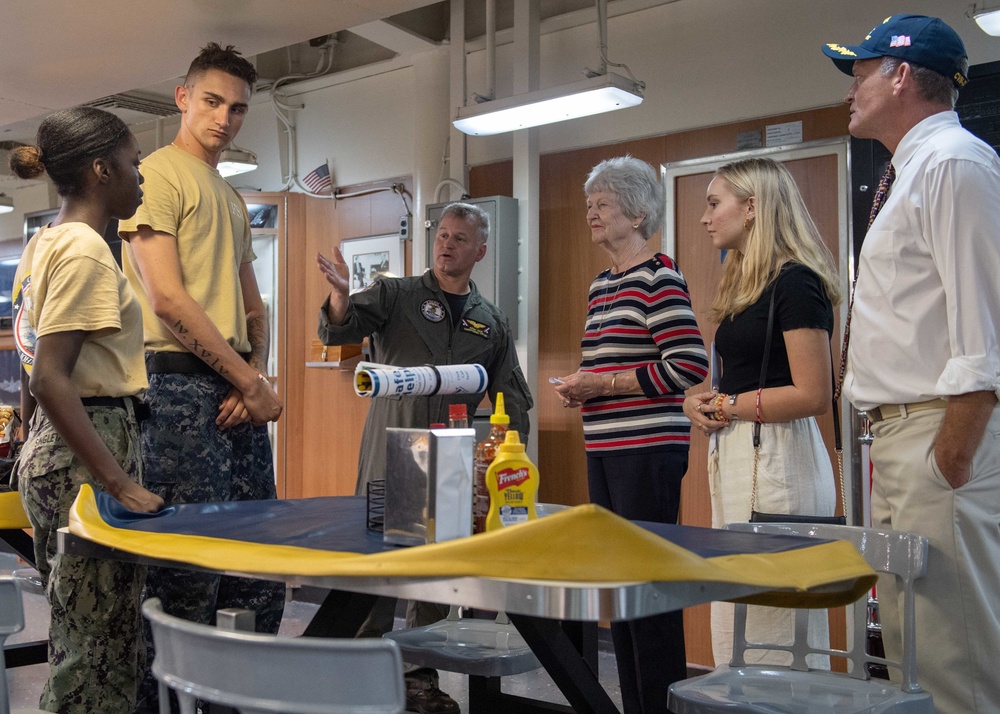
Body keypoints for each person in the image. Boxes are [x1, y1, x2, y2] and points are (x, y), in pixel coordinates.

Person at [823, 14, 1000, 713]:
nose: (852, 88)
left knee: (953, 655)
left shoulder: (955, 163)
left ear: (900, 76)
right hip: (899, 439)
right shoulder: (912, 169)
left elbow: (985, 322)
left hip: (937, 436)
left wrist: (950, 454)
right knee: (910, 648)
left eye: (861, 71)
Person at [117, 43, 286, 712]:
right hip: (178, 389)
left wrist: (258, 381)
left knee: (260, 573)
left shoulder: (232, 196)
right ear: (183, 97)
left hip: (234, 387)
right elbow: (168, 299)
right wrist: (246, 381)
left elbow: (254, 305)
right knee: (186, 578)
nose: (224, 117)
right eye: (212, 101)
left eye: (238, 108)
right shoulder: (157, 175)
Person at [317, 200, 532, 714]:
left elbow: (513, 397)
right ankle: (362, 669)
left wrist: (506, 462)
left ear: (480, 249)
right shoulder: (397, 293)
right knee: (376, 562)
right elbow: (338, 331)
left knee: (435, 574)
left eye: (459, 238)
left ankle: (418, 677)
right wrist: (341, 295)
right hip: (389, 447)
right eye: (441, 234)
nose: (445, 243)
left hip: (451, 456)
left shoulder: (490, 321)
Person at [9, 106, 165, 713]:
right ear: (101, 169)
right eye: (132, 163)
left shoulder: (44, 243)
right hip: (88, 448)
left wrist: (30, 438)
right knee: (96, 652)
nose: (141, 177)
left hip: (58, 445)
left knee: (85, 635)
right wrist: (119, 482)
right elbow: (52, 377)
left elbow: (31, 363)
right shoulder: (87, 254)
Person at [552, 155, 708, 714]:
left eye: (604, 205)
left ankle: (657, 705)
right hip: (605, 449)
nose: (591, 214)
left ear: (639, 212)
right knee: (619, 588)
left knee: (648, 588)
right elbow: (612, 372)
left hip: (648, 451)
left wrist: (606, 383)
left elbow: (689, 365)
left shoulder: (659, 275)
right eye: (589, 205)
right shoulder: (601, 285)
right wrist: (583, 387)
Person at [681, 157, 841, 668]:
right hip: (738, 450)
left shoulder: (795, 282)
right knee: (739, 611)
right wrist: (700, 401)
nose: (705, 217)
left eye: (713, 203)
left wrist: (727, 404)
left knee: (775, 623)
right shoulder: (743, 282)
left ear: (752, 208)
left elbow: (814, 393)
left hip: (779, 456)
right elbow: (738, 377)